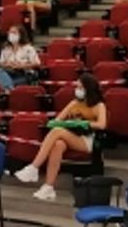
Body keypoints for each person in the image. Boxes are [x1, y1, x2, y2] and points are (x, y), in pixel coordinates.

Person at [13, 73, 107, 201]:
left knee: (57, 131)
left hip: (88, 140)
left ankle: (34, 167)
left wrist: (83, 123)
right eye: (77, 87)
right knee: (58, 145)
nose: (77, 90)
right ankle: (48, 187)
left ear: (88, 89)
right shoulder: (74, 103)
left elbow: (102, 125)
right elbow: (56, 121)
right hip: (71, 135)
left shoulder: (99, 105)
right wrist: (67, 123)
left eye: (80, 87)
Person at [0, 25, 40, 90]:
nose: (11, 35)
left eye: (14, 33)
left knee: (3, 84)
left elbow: (37, 63)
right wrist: (8, 64)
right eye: (10, 32)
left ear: (21, 35)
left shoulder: (29, 48)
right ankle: (10, 90)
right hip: (11, 73)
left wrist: (21, 66)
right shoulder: (6, 49)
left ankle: (9, 90)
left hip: (24, 74)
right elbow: (1, 63)